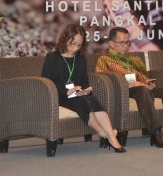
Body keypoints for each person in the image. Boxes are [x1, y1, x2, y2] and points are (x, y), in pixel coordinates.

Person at [96, 27, 163, 147]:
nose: (125, 46)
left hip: (142, 87)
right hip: (123, 91)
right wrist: (130, 84)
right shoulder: (104, 59)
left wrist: (149, 82)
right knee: (142, 91)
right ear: (111, 43)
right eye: (122, 42)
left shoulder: (134, 58)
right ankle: (156, 133)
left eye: (127, 42)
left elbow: (145, 76)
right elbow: (103, 82)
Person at [41, 24, 126, 153]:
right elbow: (46, 82)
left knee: (91, 99)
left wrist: (87, 89)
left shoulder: (80, 59)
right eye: (72, 43)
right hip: (59, 96)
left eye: (79, 45)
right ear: (65, 39)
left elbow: (84, 82)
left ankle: (109, 135)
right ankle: (105, 134)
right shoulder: (52, 58)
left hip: (77, 94)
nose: (75, 48)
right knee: (81, 101)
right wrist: (67, 91)